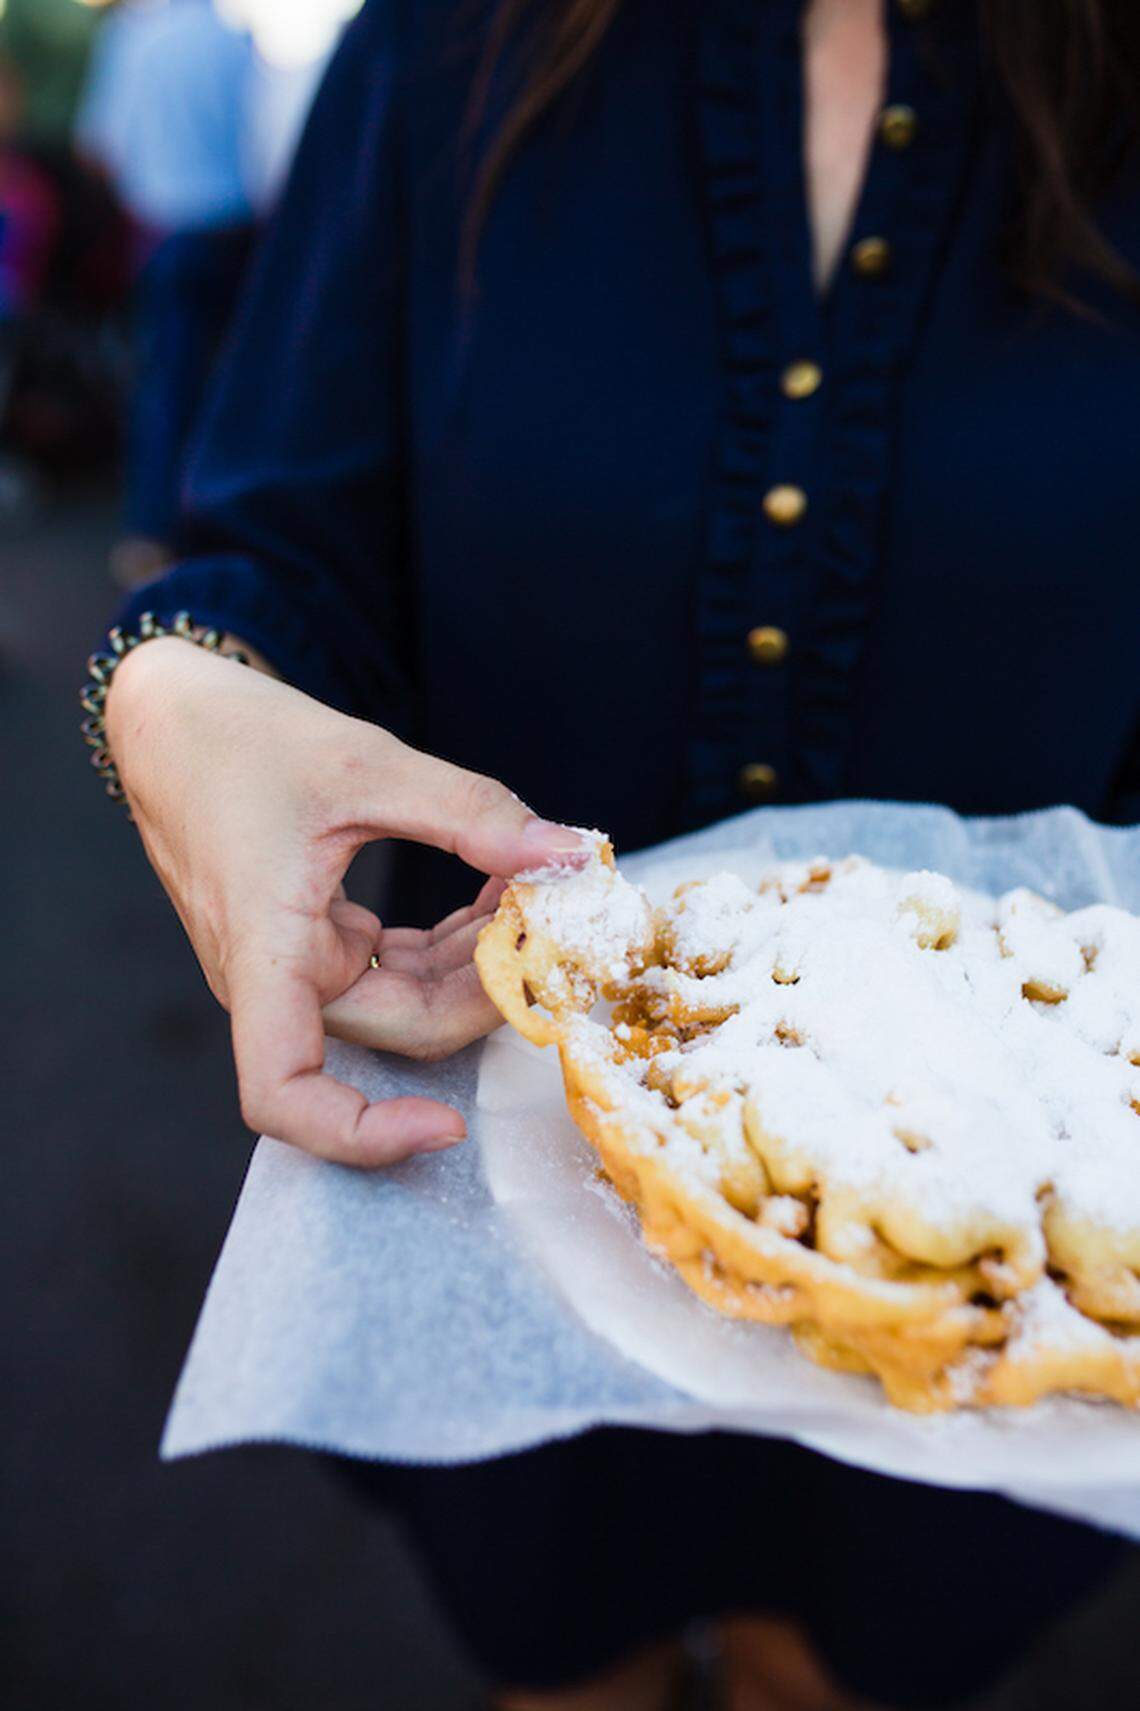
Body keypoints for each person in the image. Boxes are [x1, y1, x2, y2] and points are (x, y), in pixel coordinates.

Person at [93, 1, 1140, 1707]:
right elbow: (279, 549)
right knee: (571, 1663)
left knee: (860, 1666)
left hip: (1021, 1255)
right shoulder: (442, 56)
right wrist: (170, 702)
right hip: (503, 1179)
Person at [75, 0, 255, 585]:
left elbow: (100, 144)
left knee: (166, 385)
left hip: (167, 232)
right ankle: (220, 530)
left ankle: (154, 534)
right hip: (237, 233)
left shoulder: (136, 38)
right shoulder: (236, 40)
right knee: (227, 386)